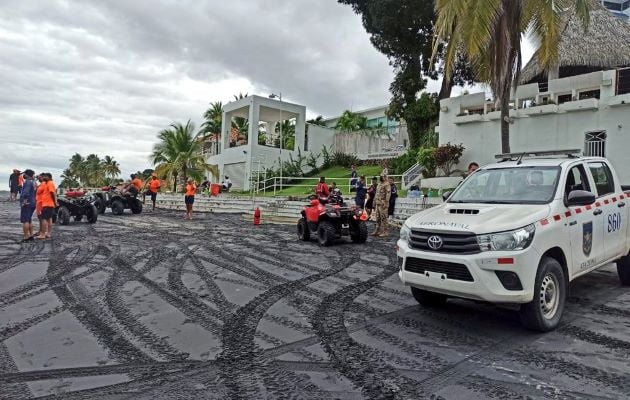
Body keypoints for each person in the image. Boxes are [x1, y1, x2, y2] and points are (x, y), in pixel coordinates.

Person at [36, 173, 57, 240]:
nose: (43, 177)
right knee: (49, 218)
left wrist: (55, 202)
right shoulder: (48, 183)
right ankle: (48, 233)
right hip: (48, 203)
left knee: (44, 218)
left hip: (47, 203)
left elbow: (53, 193)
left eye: (45, 176)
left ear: (49, 177)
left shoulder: (50, 183)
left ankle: (43, 234)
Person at [19, 170, 36, 242]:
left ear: (27, 175)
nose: (23, 175)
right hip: (33, 203)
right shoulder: (34, 182)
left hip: (27, 203)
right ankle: (31, 235)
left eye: (24, 174)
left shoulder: (28, 182)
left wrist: (24, 201)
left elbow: (26, 193)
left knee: (25, 220)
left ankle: (26, 237)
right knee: (29, 220)